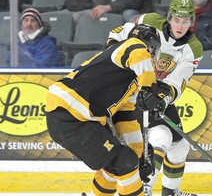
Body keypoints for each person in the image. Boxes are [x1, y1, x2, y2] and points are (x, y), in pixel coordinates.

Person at [45, 24, 173, 196]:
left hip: (78, 116)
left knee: (117, 164)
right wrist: (150, 88)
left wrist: (139, 155)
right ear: (152, 48)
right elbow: (137, 50)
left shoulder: (132, 79)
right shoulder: (129, 48)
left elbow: (125, 119)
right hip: (70, 113)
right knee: (124, 161)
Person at [108, 0, 203, 196]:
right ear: (169, 18)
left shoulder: (193, 49)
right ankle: (144, 187)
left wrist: (163, 97)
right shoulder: (149, 21)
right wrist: (113, 58)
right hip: (131, 90)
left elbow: (179, 80)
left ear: (191, 22)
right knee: (162, 136)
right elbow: (118, 34)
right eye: (177, 20)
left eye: (185, 21)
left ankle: (170, 192)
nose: (180, 25)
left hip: (156, 92)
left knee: (180, 146)